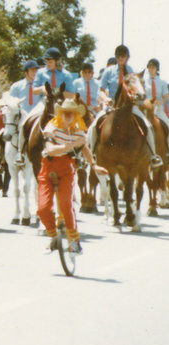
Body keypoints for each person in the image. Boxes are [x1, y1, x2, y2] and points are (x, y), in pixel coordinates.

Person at [39, 98, 107, 254]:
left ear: (76, 115)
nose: (68, 116)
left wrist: (94, 164)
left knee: (66, 205)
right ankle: (53, 237)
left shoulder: (78, 130)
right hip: (47, 167)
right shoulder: (51, 127)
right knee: (43, 209)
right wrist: (69, 145)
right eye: (65, 113)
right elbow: (50, 149)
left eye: (72, 114)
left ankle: (75, 240)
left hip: (66, 168)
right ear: (60, 114)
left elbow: (84, 148)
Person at [90, 45, 162, 167]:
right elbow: (100, 90)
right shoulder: (108, 71)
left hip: (129, 106)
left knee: (148, 125)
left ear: (127, 57)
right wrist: (105, 98)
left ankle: (152, 155)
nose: (120, 58)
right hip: (112, 105)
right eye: (118, 56)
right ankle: (91, 155)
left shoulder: (131, 71)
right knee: (94, 126)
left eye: (123, 56)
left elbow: (136, 88)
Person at [7, 59, 41, 161]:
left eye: (36, 70)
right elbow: (10, 103)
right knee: (2, 132)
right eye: (32, 70)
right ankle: (13, 155)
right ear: (26, 72)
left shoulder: (41, 86)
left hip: (37, 116)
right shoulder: (16, 86)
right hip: (21, 116)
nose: (35, 73)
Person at [142, 58, 169, 148]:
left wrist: (161, 101)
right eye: (149, 68)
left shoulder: (162, 82)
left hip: (158, 109)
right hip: (147, 109)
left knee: (168, 126)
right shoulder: (144, 82)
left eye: (152, 68)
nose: (150, 70)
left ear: (157, 69)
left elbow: (166, 96)